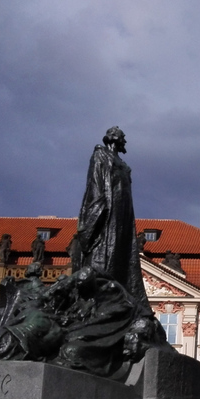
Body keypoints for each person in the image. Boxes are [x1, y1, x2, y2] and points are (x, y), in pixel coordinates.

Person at [77, 127, 148, 308]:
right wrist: (97, 211)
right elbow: (95, 185)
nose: (125, 142)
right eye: (123, 138)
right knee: (106, 248)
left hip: (123, 212)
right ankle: (104, 291)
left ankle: (120, 290)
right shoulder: (100, 156)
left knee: (122, 249)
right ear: (114, 139)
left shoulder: (122, 163)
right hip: (108, 210)